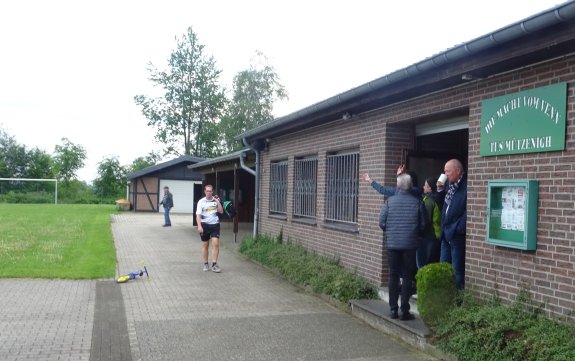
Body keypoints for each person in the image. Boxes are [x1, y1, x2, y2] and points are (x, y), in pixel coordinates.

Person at [379, 173, 427, 321]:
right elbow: (424, 224)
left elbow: (382, 222)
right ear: (411, 186)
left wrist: (391, 233)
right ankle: (404, 310)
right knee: (407, 276)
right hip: (410, 245)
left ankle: (393, 309)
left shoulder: (389, 202)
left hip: (392, 244)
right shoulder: (417, 202)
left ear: (398, 186)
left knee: (393, 275)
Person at [436, 159, 467, 289]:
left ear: (458, 171)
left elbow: (469, 211)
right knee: (443, 268)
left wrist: (458, 228)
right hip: (445, 233)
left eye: (447, 171)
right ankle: (445, 299)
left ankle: (456, 302)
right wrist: (439, 191)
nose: (445, 174)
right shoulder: (449, 185)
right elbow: (441, 206)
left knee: (456, 269)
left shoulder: (467, 186)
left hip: (456, 234)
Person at [196, 184, 224, 273]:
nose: (209, 193)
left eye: (210, 191)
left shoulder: (215, 200)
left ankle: (214, 264)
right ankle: (205, 263)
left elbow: (221, 211)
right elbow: (198, 215)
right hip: (204, 225)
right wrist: (199, 226)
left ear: (212, 192)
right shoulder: (201, 202)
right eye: (207, 191)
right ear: (205, 192)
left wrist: (217, 201)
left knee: (215, 244)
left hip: (215, 225)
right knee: (205, 245)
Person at [417, 177, 441, 268]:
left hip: (429, 235)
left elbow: (425, 220)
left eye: (425, 185)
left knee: (424, 263)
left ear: (430, 188)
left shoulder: (428, 201)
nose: (423, 187)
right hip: (435, 235)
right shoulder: (434, 199)